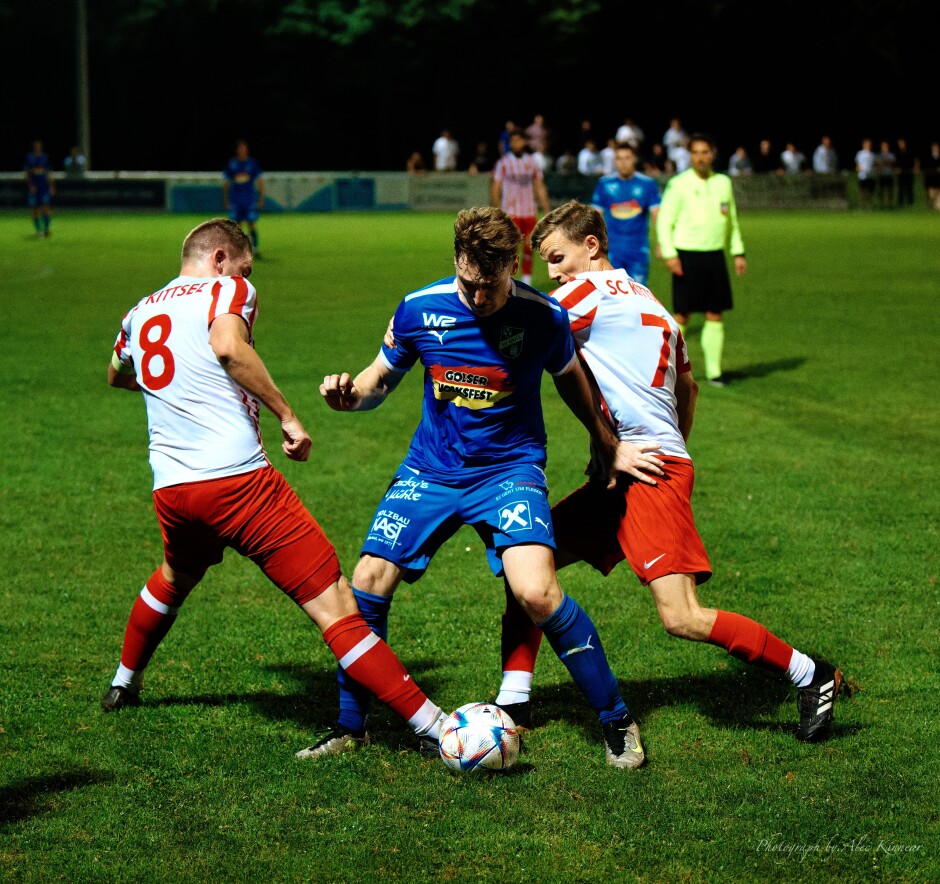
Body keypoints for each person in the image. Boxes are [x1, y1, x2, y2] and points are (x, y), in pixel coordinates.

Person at [314, 207, 661, 769]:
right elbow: (378, 381)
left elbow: (572, 379)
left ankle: (617, 721)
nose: (480, 299)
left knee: (538, 593)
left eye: (493, 287)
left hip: (509, 472)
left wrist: (606, 441)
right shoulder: (419, 309)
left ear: (512, 269)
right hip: (430, 470)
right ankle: (351, 727)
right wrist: (348, 395)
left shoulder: (543, 316)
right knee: (367, 581)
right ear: (458, 261)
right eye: (472, 286)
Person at [497, 199, 843, 745]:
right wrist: (635, 444)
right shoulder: (655, 305)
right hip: (636, 465)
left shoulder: (582, 295)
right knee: (526, 572)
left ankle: (811, 674)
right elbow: (688, 389)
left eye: (559, 257)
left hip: (648, 473)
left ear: (592, 246)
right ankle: (510, 706)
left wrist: (633, 447)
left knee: (681, 617)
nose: (554, 273)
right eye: (546, 263)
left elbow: (519, 319)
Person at [102, 218, 448, 761]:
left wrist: (174, 392)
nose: (246, 277)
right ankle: (437, 728)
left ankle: (124, 681)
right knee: (336, 605)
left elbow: (118, 373)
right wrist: (286, 414)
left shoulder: (140, 309)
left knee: (175, 575)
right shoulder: (228, 289)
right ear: (221, 259)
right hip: (237, 481)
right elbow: (226, 346)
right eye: (244, 265)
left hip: (172, 489)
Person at [656, 133, 745, 388]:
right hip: (687, 255)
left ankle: (715, 373)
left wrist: (738, 251)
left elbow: (732, 219)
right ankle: (666, 370)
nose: (701, 157)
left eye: (705, 152)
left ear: (713, 154)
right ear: (690, 155)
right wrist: (671, 254)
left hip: (715, 255)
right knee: (682, 315)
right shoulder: (679, 184)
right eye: (696, 153)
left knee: (715, 313)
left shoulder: (723, 183)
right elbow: (665, 221)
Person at [590, 142, 661, 285]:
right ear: (615, 161)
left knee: (638, 296)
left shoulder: (648, 184)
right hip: (612, 250)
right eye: (619, 158)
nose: (623, 162)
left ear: (634, 159)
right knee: (613, 297)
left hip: (639, 250)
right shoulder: (604, 184)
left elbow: (657, 215)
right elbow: (595, 217)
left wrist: (661, 242)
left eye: (627, 158)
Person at [490, 128, 552, 285]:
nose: (516, 144)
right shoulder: (503, 163)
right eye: (513, 141)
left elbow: (539, 185)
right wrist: (496, 210)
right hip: (510, 212)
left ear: (524, 142)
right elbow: (496, 187)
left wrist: (546, 210)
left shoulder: (532, 162)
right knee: (510, 247)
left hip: (529, 211)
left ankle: (526, 280)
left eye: (519, 140)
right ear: (509, 144)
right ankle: (506, 279)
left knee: (529, 246)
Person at [222, 139, 265, 254]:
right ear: (237, 150)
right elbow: (226, 182)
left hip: (249, 200)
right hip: (236, 200)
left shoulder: (252, 164)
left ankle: (255, 247)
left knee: (251, 223)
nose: (242, 150)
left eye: (244, 148)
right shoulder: (232, 164)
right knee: (237, 226)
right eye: (240, 148)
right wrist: (225, 199)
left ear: (247, 150)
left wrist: (261, 198)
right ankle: (238, 249)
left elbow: (260, 181)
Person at [24, 139, 54, 238]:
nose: (37, 147)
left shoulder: (44, 157)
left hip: (43, 187)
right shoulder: (29, 158)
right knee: (35, 209)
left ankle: (46, 228)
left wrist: (51, 186)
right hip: (34, 187)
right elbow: (27, 174)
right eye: (36, 146)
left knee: (46, 206)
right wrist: (30, 185)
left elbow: (48, 173)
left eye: (39, 145)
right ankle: (38, 231)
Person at [894, 138, 916, 208]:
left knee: (909, 188)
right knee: (901, 189)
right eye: (899, 144)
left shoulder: (909, 152)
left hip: (909, 172)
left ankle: (910, 203)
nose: (901, 145)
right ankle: (901, 203)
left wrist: (914, 168)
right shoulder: (897, 153)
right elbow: (895, 163)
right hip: (901, 173)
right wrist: (897, 168)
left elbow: (914, 160)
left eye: (902, 143)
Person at [874, 139, 897, 209]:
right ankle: (882, 204)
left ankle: (890, 205)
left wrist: (884, 162)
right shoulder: (879, 155)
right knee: (881, 190)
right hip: (882, 175)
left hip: (889, 175)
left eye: (885, 146)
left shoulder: (891, 154)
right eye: (883, 146)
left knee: (890, 191)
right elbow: (877, 164)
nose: (884, 147)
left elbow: (893, 163)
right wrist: (883, 163)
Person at [854, 138, 876, 209]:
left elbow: (875, 165)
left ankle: (869, 206)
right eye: (867, 144)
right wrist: (859, 169)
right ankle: (862, 205)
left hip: (871, 176)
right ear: (864, 145)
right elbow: (857, 165)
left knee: (870, 192)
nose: (868, 145)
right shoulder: (860, 153)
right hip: (862, 176)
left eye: (870, 144)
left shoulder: (872, 154)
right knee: (862, 192)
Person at [922, 141, 940, 210]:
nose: (935, 149)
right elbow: (925, 166)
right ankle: (929, 205)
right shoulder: (928, 157)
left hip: (938, 179)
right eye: (934, 148)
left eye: (937, 148)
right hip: (930, 179)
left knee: (938, 194)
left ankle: (937, 206)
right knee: (931, 194)